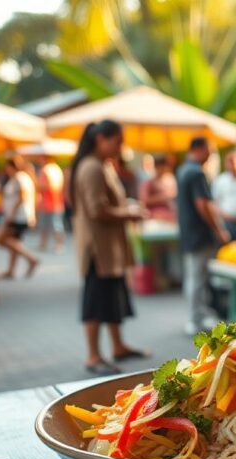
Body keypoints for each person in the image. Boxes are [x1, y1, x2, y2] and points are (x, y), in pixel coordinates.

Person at [68, 120, 150, 375]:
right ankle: (93, 356)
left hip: (108, 247)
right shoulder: (92, 167)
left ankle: (118, 346)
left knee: (112, 297)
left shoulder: (101, 165)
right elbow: (97, 210)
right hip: (98, 249)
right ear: (101, 139)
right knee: (95, 301)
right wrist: (129, 213)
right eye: (117, 142)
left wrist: (128, 208)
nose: (120, 148)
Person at [177, 136, 229, 334]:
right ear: (199, 149)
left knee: (194, 277)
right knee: (198, 278)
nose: (210, 155)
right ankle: (195, 319)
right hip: (199, 234)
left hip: (189, 233)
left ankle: (197, 315)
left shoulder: (183, 170)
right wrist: (218, 229)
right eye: (209, 150)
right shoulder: (197, 173)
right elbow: (202, 205)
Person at [0, 158, 40, 278]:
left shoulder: (20, 178)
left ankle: (31, 258)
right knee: (14, 242)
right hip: (19, 216)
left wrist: (11, 214)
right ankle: (11, 270)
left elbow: (22, 196)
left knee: (0, 239)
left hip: (18, 217)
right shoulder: (19, 178)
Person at [37, 156, 66, 252]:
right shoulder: (57, 169)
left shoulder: (46, 170)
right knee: (55, 225)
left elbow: (46, 185)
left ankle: (46, 243)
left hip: (48, 202)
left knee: (50, 225)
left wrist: (37, 186)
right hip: (57, 201)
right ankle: (57, 244)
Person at [138, 155, 178, 221]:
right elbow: (144, 200)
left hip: (169, 215)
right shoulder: (149, 182)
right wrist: (163, 197)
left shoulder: (170, 180)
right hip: (155, 216)